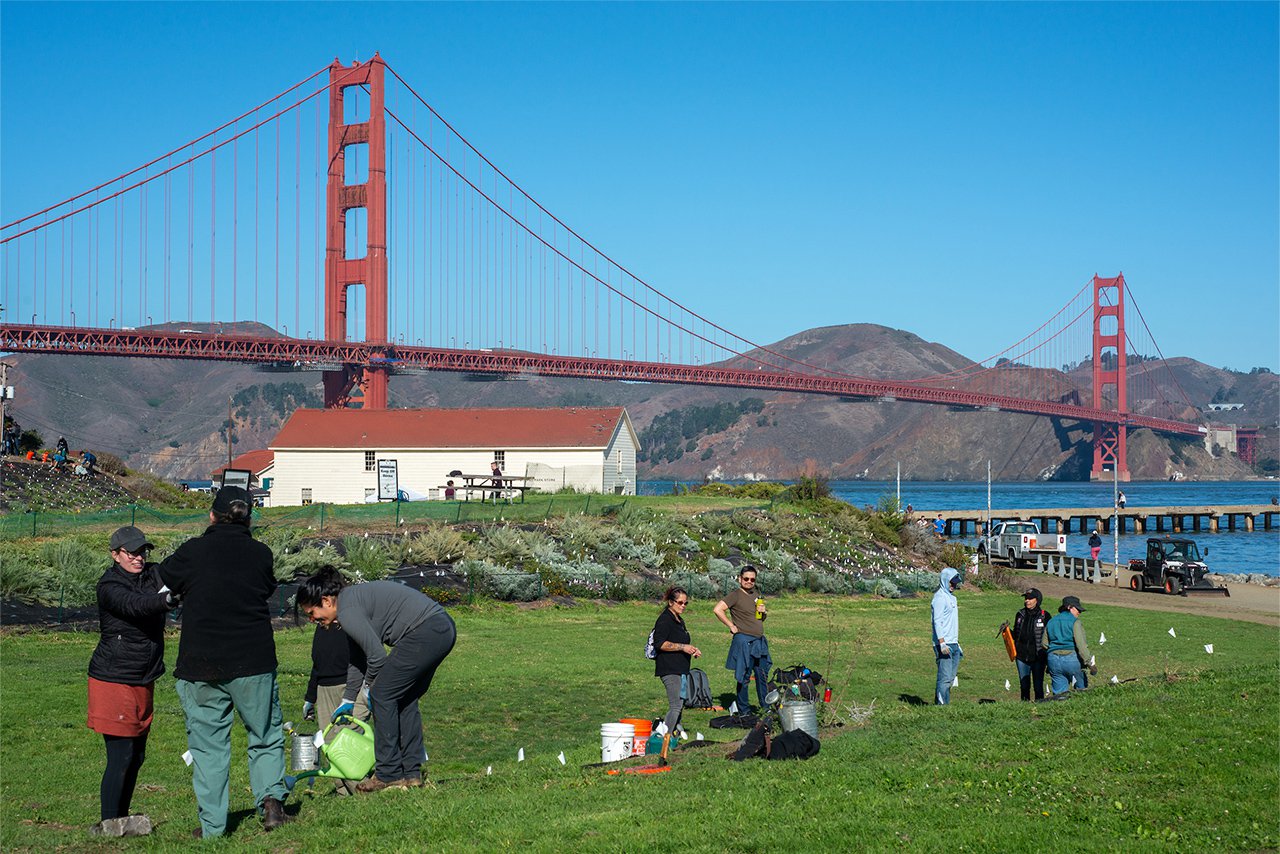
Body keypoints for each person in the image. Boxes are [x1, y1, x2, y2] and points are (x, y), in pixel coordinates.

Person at [158, 485, 289, 838]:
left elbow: (166, 576)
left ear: (211, 515)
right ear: (248, 518)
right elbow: (264, 588)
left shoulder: (193, 551)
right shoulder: (261, 554)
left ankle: (213, 828)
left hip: (201, 662)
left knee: (209, 746)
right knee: (264, 734)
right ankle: (273, 805)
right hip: (254, 660)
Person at [297, 568, 457, 792]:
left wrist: (370, 688)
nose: (313, 620)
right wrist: (348, 699)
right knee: (405, 698)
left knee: (383, 694)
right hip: (442, 628)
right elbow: (357, 659)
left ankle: (388, 773)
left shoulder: (347, 611)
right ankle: (411, 773)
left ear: (326, 601)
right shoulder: (349, 605)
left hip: (426, 631)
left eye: (312, 613)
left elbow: (377, 657)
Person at [86, 526, 177, 837]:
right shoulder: (109, 586)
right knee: (121, 754)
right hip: (114, 678)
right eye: (131, 552)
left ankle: (120, 821)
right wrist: (168, 600)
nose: (139, 558)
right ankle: (108, 825)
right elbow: (137, 605)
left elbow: (181, 567)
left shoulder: (152, 574)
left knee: (137, 755)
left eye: (143, 552)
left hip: (144, 676)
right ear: (115, 555)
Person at [302, 623, 370, 795]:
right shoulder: (321, 622)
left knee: (348, 743)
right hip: (325, 688)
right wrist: (310, 697)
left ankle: (365, 793)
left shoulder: (350, 616)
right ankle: (343, 792)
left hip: (352, 686)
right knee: (330, 744)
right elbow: (317, 663)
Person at [713, 565, 772, 716]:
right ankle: (744, 710)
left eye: (752, 579)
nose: (749, 581)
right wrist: (731, 625)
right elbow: (718, 609)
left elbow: (760, 619)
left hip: (759, 641)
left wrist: (764, 613)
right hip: (745, 641)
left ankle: (766, 708)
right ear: (740, 579)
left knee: (762, 675)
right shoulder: (736, 595)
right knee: (744, 676)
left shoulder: (755, 594)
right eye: (746, 579)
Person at [651, 586, 700, 764]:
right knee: (676, 705)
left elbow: (681, 642)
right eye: (680, 602)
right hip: (669, 669)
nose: (683, 605)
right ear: (671, 602)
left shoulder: (678, 619)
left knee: (680, 702)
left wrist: (691, 649)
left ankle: (674, 733)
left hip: (680, 668)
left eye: (686, 603)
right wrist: (682, 647)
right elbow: (660, 643)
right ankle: (665, 739)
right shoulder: (665, 620)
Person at [1042, 595, 1095, 697]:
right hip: (1072, 659)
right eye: (1077, 609)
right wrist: (1090, 663)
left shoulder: (1051, 621)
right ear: (1069, 607)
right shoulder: (1075, 622)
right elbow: (1081, 645)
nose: (1079, 612)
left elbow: (1044, 644)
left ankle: (1061, 711)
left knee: (1059, 696)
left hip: (1053, 661)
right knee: (1081, 692)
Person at [1009, 588, 1050, 701]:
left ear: (1037, 600)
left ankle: (1040, 707)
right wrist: (1007, 632)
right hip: (1021, 657)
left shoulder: (1045, 616)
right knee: (1024, 686)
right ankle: (1025, 707)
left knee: (1038, 686)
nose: (1027, 601)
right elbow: (1016, 635)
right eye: (1026, 598)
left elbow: (1049, 637)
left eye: (1030, 599)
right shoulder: (1020, 614)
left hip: (1038, 657)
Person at [931, 567, 964, 705]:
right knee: (944, 678)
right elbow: (937, 622)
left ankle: (945, 704)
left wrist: (957, 643)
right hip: (943, 644)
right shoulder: (939, 598)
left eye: (955, 583)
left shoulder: (952, 598)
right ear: (945, 581)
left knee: (950, 679)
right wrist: (942, 643)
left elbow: (951, 623)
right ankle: (941, 708)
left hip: (953, 643)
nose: (953, 585)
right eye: (951, 582)